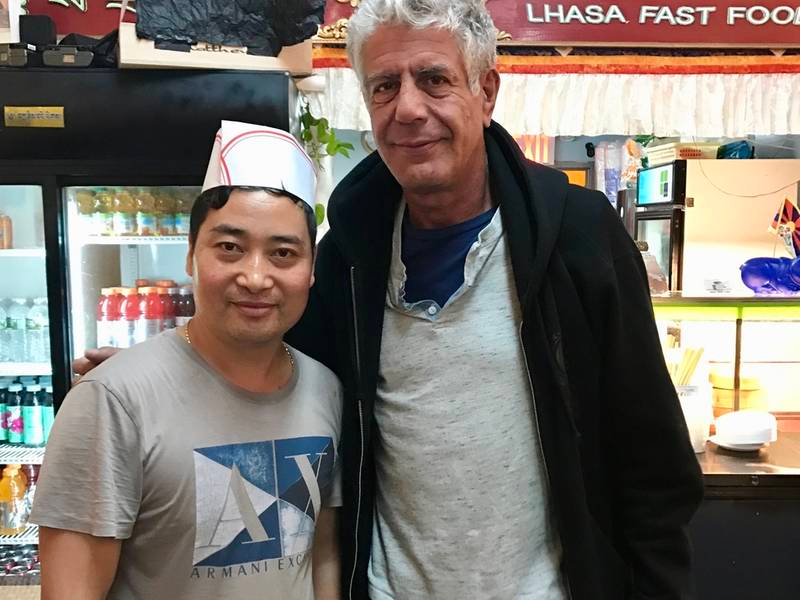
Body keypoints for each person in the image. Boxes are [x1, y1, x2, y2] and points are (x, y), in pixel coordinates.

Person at [75, 2, 704, 599]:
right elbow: (271, 367)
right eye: (383, 86)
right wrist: (154, 382)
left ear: (486, 93)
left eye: (433, 79)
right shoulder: (350, 253)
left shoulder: (576, 236)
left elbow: (652, 463)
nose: (407, 109)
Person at [32, 122, 343, 600]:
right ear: (190, 257)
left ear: (310, 270)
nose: (256, 277)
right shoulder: (111, 402)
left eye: (283, 253)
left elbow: (321, 554)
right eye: (230, 248)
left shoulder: (326, 388)